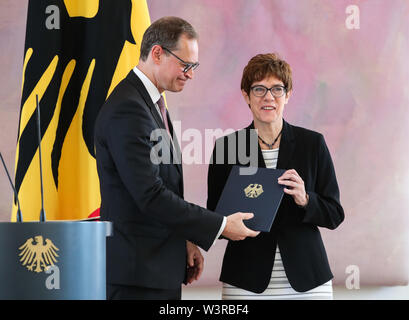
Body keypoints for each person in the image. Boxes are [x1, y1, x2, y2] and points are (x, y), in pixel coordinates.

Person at [94, 16, 259, 300]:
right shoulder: (128, 110)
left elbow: (163, 188)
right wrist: (220, 225)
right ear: (157, 53)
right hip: (137, 278)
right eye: (186, 65)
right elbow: (150, 195)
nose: (190, 74)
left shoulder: (152, 105)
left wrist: (183, 238)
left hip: (155, 269)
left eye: (194, 66)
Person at [207, 53, 345, 300]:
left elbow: (334, 214)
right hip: (246, 280)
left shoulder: (312, 144)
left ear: (288, 95)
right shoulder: (228, 147)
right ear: (245, 95)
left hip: (307, 281)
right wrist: (228, 225)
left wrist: (305, 199)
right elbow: (215, 217)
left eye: (277, 89)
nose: (268, 97)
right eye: (259, 89)